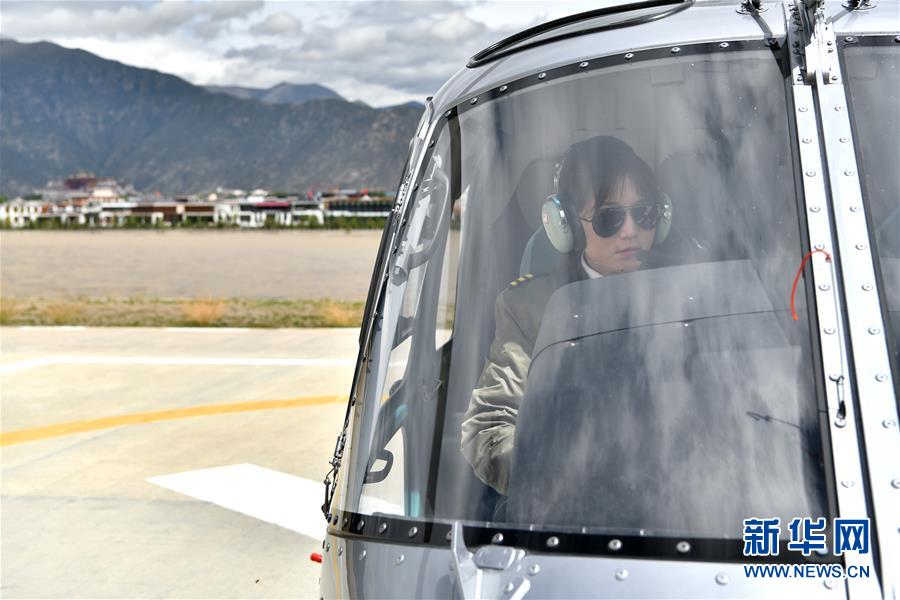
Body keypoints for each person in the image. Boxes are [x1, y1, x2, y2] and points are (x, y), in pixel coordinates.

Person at [460, 136, 668, 495]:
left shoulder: (688, 290)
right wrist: (561, 476)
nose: (631, 231)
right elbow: (488, 427)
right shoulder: (529, 307)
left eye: (644, 213)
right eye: (609, 218)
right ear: (566, 225)